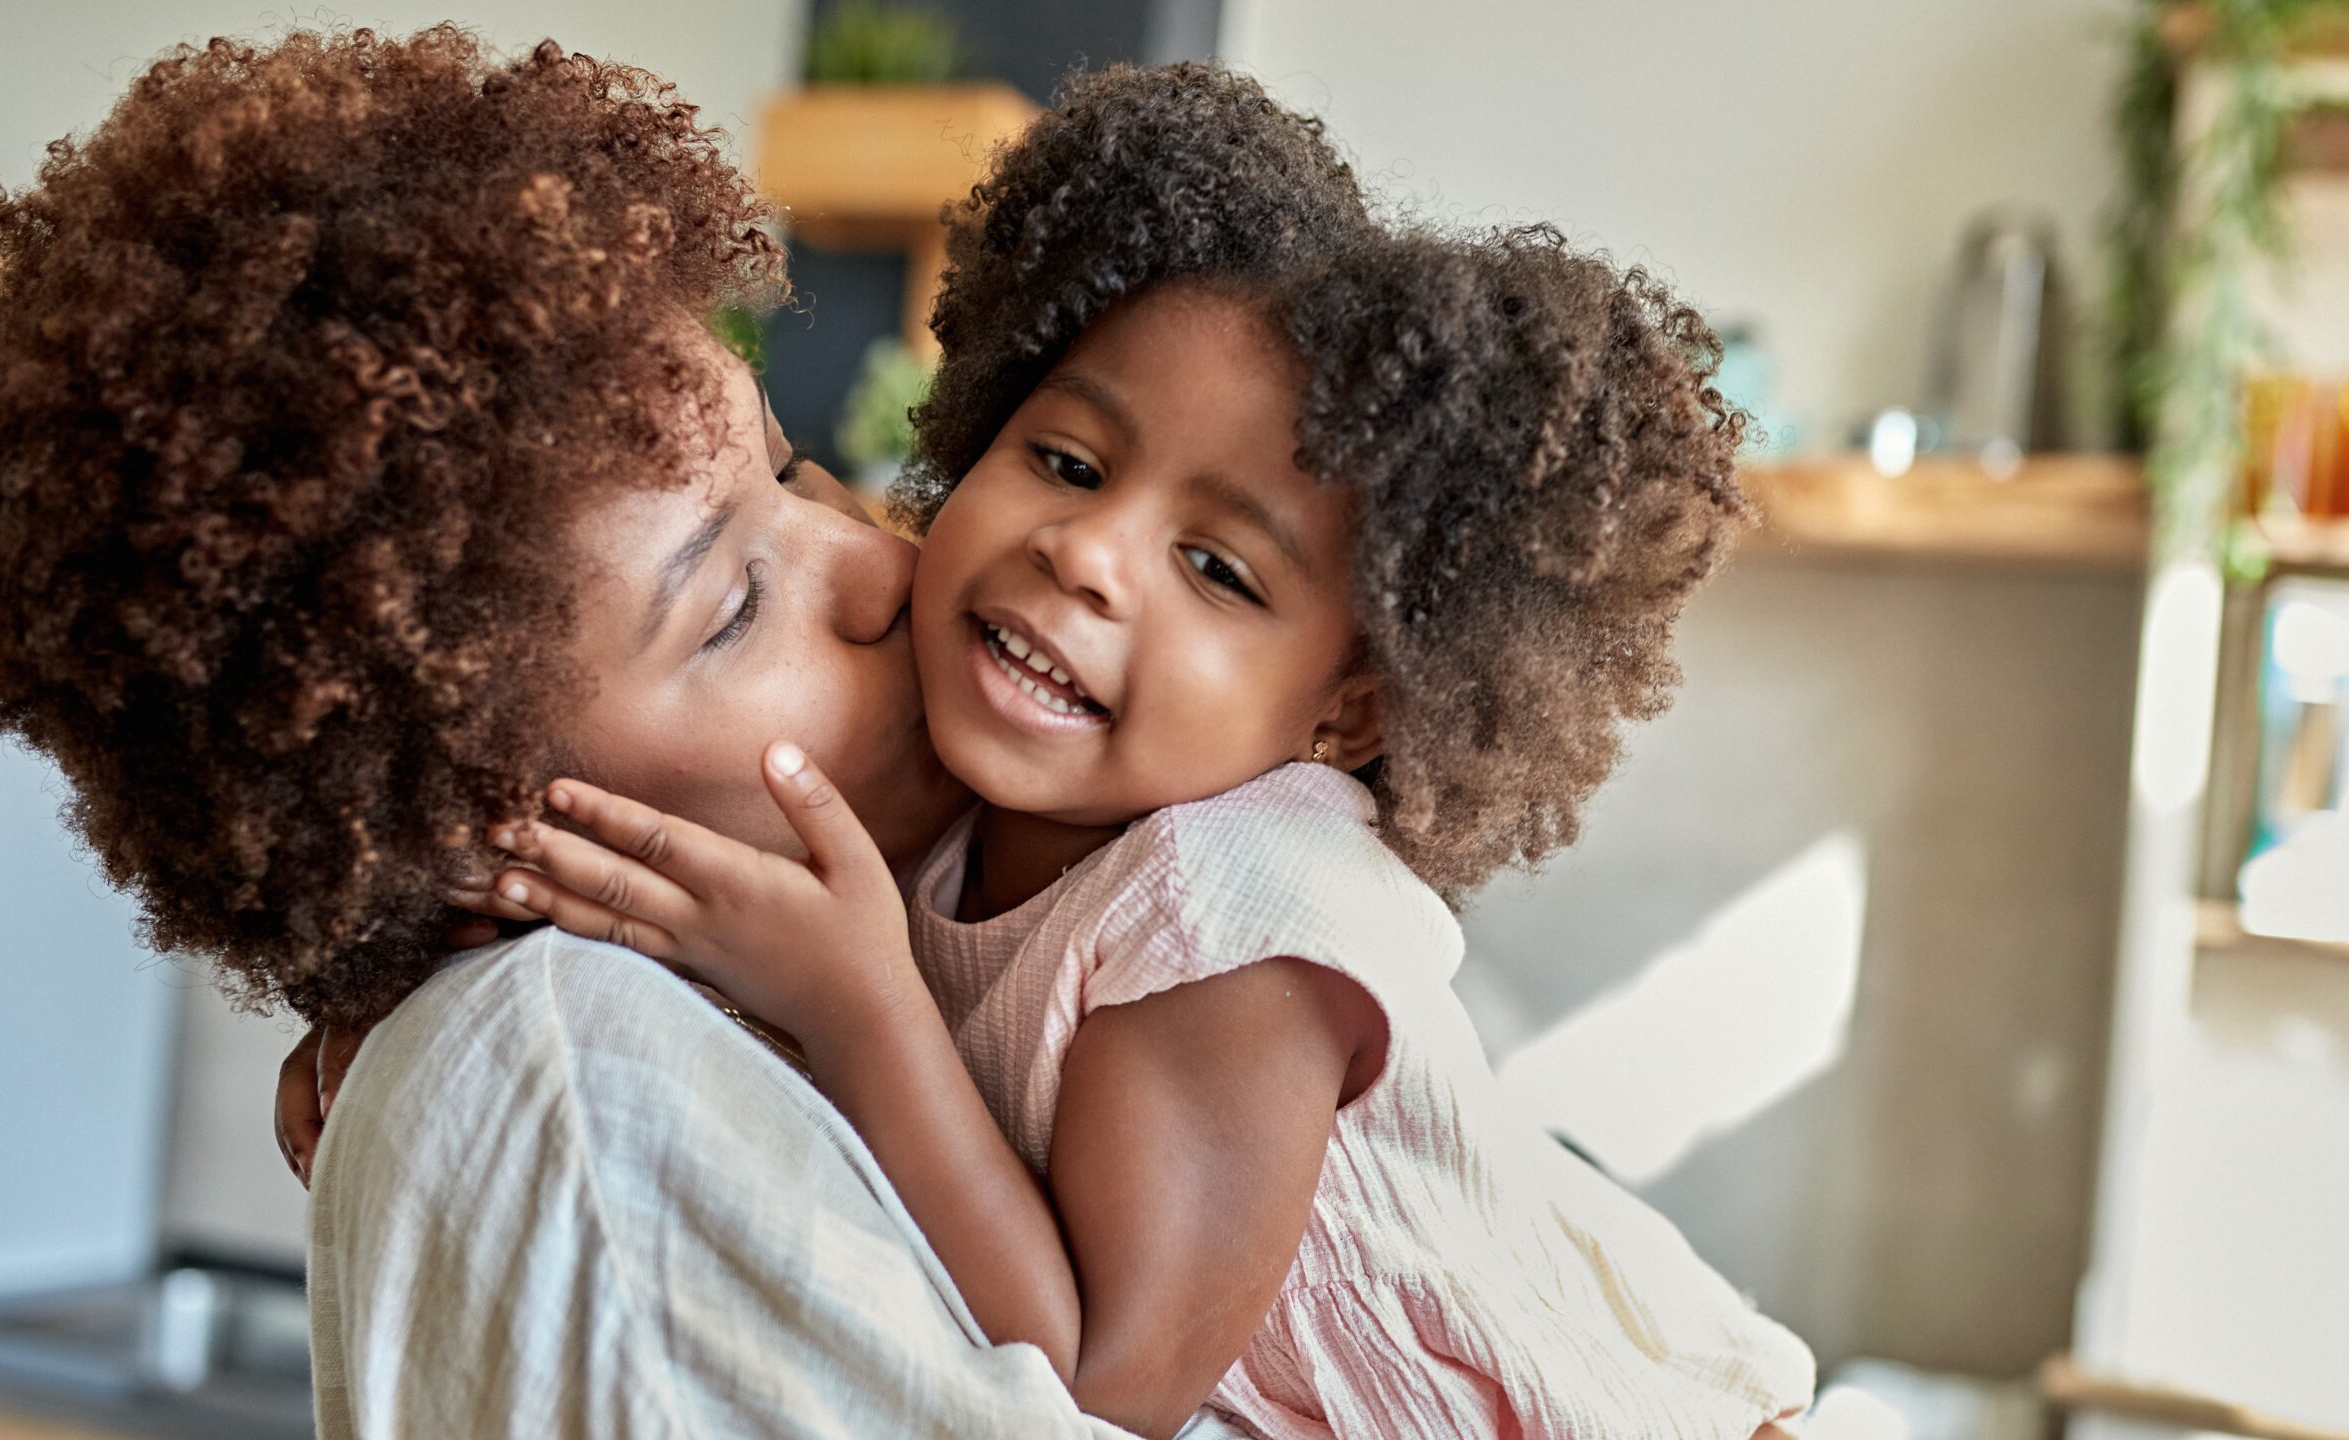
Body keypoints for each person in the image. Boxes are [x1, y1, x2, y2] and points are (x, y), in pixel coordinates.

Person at [0, 25, 1262, 1438]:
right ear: (480, 825)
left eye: (793, 468)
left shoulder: (1191, 865)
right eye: (736, 606)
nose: (883, 569)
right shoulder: (578, 1078)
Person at [460, 69, 1814, 1440]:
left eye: (1218, 568)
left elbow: (1104, 1387)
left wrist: (858, 1003)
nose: (1088, 554)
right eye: (1066, 461)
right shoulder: (969, 776)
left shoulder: (1232, 913)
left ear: (1345, 717)